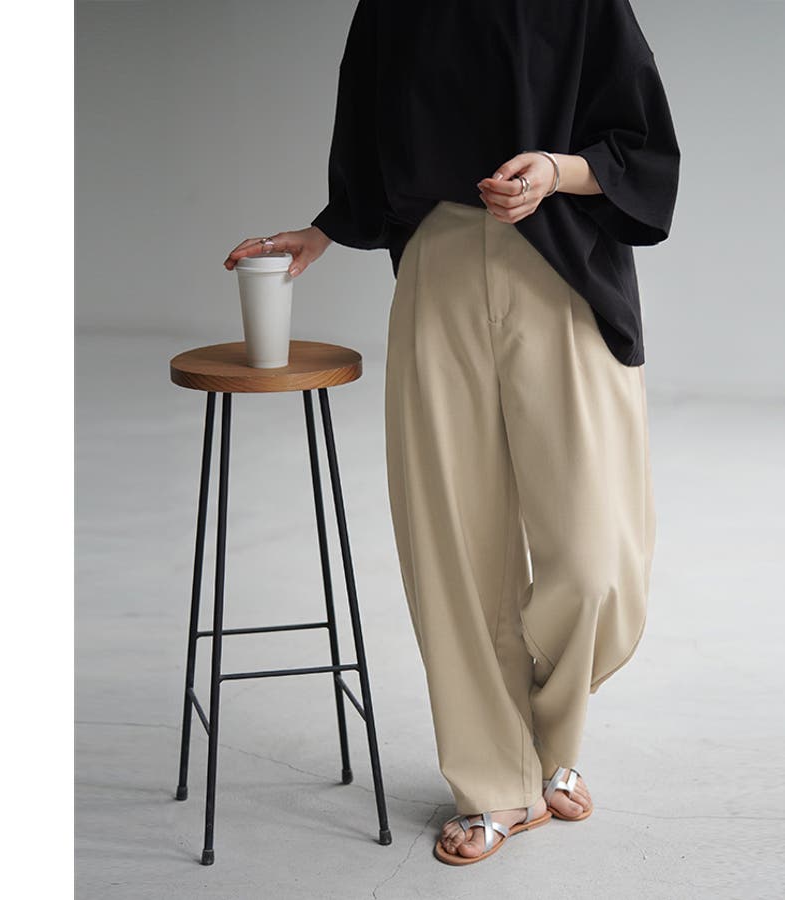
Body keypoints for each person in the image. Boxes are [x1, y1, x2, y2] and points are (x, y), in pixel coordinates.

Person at [224, 0, 680, 867]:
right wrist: (321, 233)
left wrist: (554, 171)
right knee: (457, 551)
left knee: (599, 564)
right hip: (440, 267)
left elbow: (642, 148)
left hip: (563, 270)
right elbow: (372, 146)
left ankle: (546, 738)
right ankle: (496, 779)